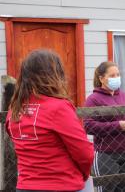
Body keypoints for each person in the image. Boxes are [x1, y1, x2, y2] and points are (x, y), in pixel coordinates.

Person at [5, 50, 94, 192]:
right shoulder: (59, 107)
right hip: (62, 184)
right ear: (55, 74)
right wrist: (83, 175)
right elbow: (84, 153)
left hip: (25, 186)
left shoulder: (15, 108)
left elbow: (18, 141)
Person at [84, 61, 125, 192]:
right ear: (101, 78)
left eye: (117, 74)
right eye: (112, 75)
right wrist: (117, 126)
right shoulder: (93, 99)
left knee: (124, 190)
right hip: (106, 154)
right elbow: (88, 126)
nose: (116, 78)